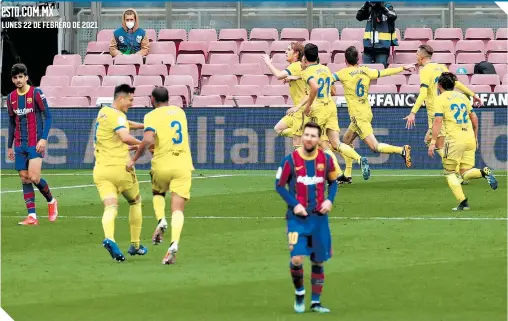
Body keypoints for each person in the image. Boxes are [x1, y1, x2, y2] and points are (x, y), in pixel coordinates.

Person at [275, 122, 339, 314]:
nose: (309, 138)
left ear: (319, 140)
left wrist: (329, 200)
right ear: (302, 137)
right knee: (296, 258)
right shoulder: (290, 161)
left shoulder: (326, 160)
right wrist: (295, 205)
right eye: (307, 135)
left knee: (318, 261)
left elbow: (333, 182)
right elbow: (279, 185)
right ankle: (300, 293)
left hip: (319, 219)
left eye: (313, 136)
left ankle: (316, 302)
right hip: (297, 220)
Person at [127, 87, 194, 265]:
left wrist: (134, 158)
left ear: (152, 99)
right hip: (183, 164)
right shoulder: (180, 112)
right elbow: (168, 137)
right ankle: (174, 244)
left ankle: (161, 219)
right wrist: (140, 146)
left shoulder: (151, 116)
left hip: (162, 163)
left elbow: (149, 140)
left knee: (158, 193)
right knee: (178, 209)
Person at [331, 46, 413, 181]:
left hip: (358, 116)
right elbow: (384, 72)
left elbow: (326, 78)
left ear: (345, 60)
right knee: (346, 141)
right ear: (358, 59)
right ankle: (348, 174)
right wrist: (402, 68)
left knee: (374, 146)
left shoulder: (342, 73)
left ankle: (401, 150)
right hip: (366, 112)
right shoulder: (366, 71)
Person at [428, 73, 498, 210]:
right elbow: (474, 118)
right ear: (454, 85)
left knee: (449, 172)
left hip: (454, 140)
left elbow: (437, 121)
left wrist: (432, 142)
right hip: (469, 137)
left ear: (439, 85)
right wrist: (475, 137)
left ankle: (463, 202)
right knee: (465, 173)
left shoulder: (440, 99)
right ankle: (484, 172)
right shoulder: (462, 97)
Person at [93, 84, 147, 262]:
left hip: (101, 170)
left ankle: (109, 238)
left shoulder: (104, 112)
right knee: (135, 201)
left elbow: (125, 124)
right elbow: (124, 135)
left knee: (110, 207)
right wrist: (142, 144)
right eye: (131, 100)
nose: (132, 103)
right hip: (121, 169)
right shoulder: (118, 117)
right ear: (121, 98)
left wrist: (145, 125)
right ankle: (136, 245)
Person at [302, 43, 371, 181]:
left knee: (321, 143)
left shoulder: (307, 72)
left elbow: (315, 87)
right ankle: (359, 158)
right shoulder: (326, 69)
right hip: (331, 107)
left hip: (318, 109)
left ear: (305, 57)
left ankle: (337, 173)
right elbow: (333, 91)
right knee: (336, 143)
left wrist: (308, 105)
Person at [404, 45, 482, 160]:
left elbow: (423, 93)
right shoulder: (442, 67)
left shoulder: (425, 70)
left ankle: (454, 168)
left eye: (416, 55)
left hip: (435, 111)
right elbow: (456, 83)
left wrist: (413, 113)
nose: (416, 57)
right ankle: (455, 164)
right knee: (429, 140)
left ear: (421, 57)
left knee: (438, 144)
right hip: (446, 107)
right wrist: (473, 95)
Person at [7, 63, 58, 226]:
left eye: (20, 76)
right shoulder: (10, 98)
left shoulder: (36, 93)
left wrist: (43, 138)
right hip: (19, 144)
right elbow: (11, 122)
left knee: (34, 177)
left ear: (26, 77)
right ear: (12, 80)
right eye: (15, 77)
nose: (18, 80)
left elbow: (48, 117)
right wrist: (10, 146)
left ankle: (51, 201)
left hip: (34, 142)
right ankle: (32, 216)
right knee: (24, 178)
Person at [262, 42, 308, 148]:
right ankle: (306, 135)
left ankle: (305, 136)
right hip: (297, 110)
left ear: (296, 53)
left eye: (288, 50)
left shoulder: (296, 66)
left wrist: (268, 63)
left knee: (297, 146)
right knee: (278, 129)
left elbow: (278, 75)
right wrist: (294, 78)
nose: (285, 52)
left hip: (301, 110)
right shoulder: (296, 67)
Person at [356, 1, 398, 68]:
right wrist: (366, 5)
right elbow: (359, 17)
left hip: (382, 48)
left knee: (380, 72)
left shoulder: (387, 6)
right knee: (365, 72)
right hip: (368, 47)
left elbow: (393, 16)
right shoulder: (369, 6)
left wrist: (382, 7)